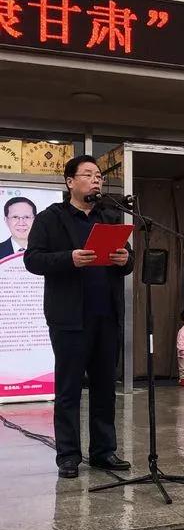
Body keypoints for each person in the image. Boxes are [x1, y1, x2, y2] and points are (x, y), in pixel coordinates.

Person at [24, 155, 134, 479]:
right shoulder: (51, 218)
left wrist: (125, 259)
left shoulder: (110, 217)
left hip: (106, 316)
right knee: (69, 389)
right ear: (70, 181)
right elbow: (33, 260)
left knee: (105, 388)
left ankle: (103, 451)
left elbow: (127, 262)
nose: (96, 179)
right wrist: (69, 258)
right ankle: (69, 455)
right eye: (88, 174)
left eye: (99, 175)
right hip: (69, 318)